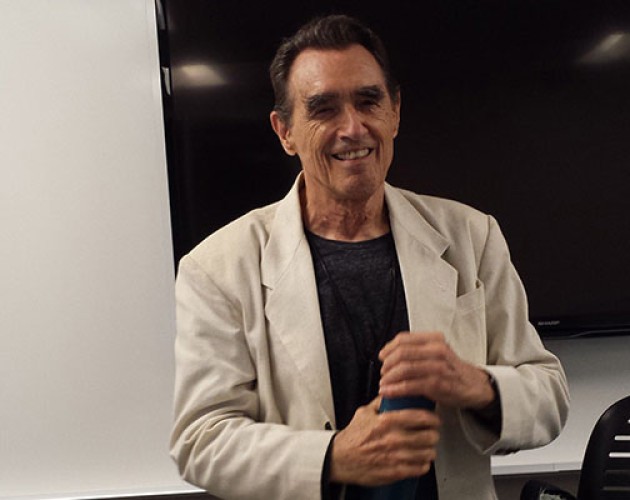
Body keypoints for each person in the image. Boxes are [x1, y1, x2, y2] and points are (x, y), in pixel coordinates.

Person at [170, 14, 570, 500]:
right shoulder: (216, 268)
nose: (353, 128)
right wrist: (334, 456)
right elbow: (200, 440)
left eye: (368, 101)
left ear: (395, 112)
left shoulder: (472, 235)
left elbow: (549, 397)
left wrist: (475, 384)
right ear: (285, 131)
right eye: (323, 109)